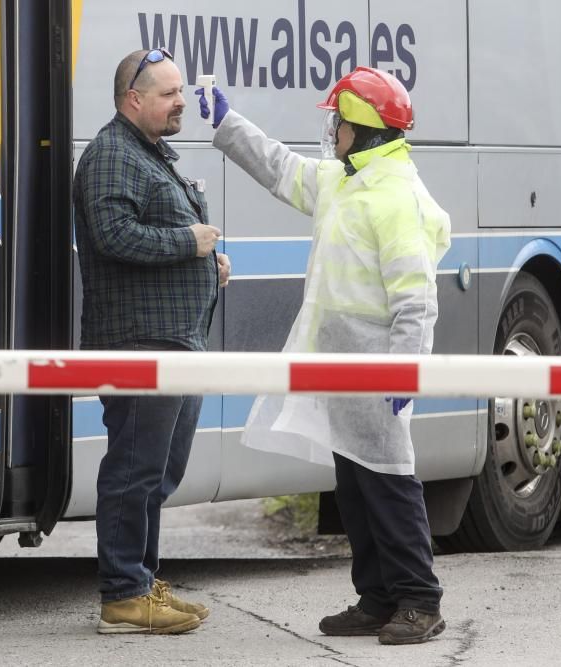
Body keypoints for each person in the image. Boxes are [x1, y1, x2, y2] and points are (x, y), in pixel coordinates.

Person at [198, 66, 450, 644]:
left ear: (361, 128)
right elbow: (282, 170)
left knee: (388, 482)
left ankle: (419, 600)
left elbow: (416, 300)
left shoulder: (394, 197)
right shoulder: (346, 179)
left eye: (339, 121)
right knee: (355, 485)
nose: (332, 130)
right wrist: (229, 124)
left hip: (378, 367)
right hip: (342, 366)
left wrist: (405, 366)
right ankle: (378, 597)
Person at [73, 48, 230, 633]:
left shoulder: (148, 154)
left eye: (180, 91)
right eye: (168, 93)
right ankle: (122, 595)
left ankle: (142, 582)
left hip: (175, 340)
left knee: (160, 470)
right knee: (135, 468)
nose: (181, 102)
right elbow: (115, 235)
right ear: (132, 100)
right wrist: (188, 246)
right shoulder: (111, 155)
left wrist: (205, 263)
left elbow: (153, 232)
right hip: (140, 342)